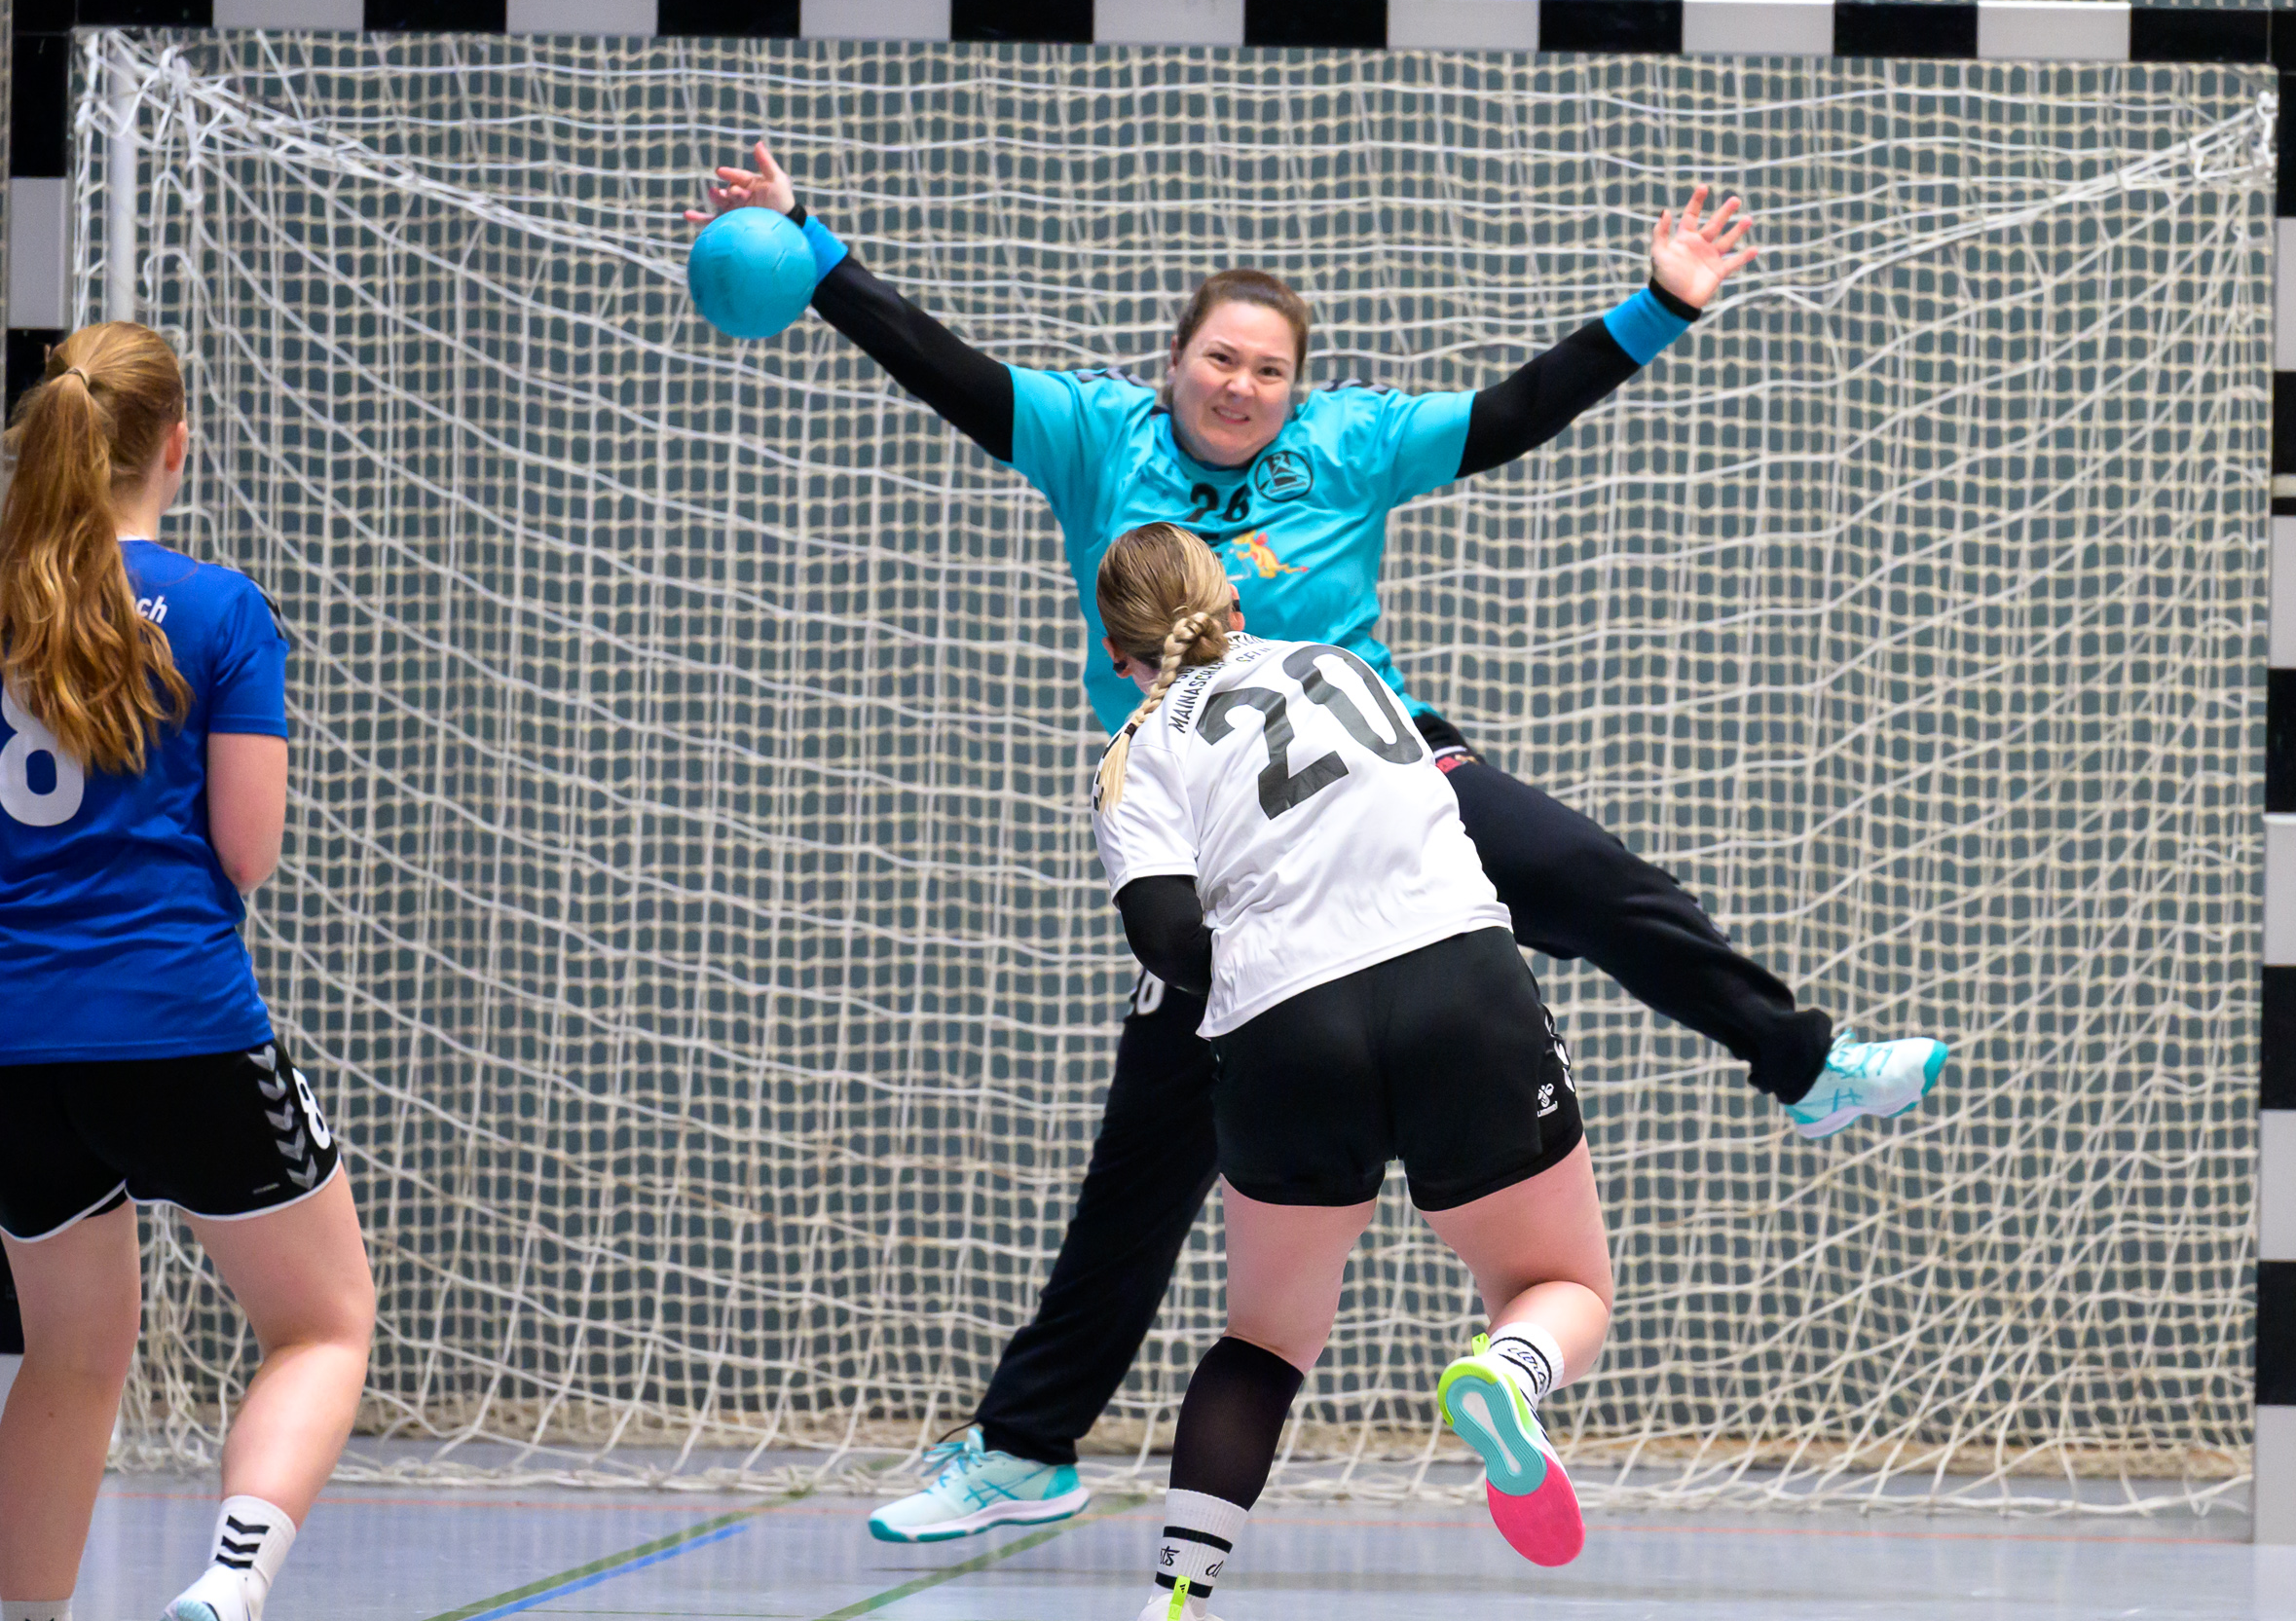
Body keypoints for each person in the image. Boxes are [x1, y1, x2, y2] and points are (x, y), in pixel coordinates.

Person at [688, 149, 1949, 1544]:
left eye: (1268, 370)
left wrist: (1661, 305)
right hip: (1228, 841)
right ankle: (1025, 1447)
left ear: (1297, 388)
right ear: (1174, 363)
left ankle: (1803, 1062)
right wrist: (816, 257)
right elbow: (948, 369)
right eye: (1220, 360)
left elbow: (1510, 414)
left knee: (1591, 880)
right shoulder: (1094, 438)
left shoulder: (1347, 445)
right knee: (1147, 1154)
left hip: (1388, 771)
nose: (1240, 386)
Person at [0, 321, 378, 1621]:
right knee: (323, 1322)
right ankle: (232, 1591)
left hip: (5, 1041)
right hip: (176, 1021)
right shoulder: (217, 611)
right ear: (173, 447)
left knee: (68, 1354)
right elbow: (247, 853)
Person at [1081, 524, 1606, 1621]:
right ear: (1232, 599)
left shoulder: (1131, 751)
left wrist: (1272, 1002)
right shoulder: (1343, 665)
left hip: (1285, 1022)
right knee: (1560, 1283)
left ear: (1118, 654)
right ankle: (1510, 1372)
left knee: (1265, 1341)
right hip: (1457, 982)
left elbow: (1166, 940)